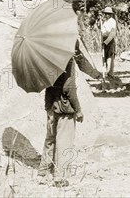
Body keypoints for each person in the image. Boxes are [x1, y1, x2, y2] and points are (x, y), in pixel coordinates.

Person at [38, 40, 85, 187]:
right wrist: (78, 109)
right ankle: (60, 177)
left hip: (51, 104)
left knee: (50, 138)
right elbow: (68, 88)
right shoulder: (68, 62)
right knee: (64, 141)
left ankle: (43, 171)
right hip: (64, 107)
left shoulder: (47, 58)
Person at [100, 7, 117, 79]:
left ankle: (110, 72)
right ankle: (105, 71)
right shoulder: (105, 21)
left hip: (109, 40)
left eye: (108, 14)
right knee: (105, 56)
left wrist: (106, 41)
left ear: (111, 14)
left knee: (110, 56)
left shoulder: (112, 21)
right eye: (105, 14)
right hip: (104, 39)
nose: (106, 15)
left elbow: (113, 33)